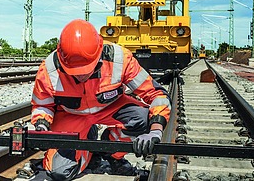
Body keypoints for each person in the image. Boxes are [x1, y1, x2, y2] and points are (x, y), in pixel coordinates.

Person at [31, 19, 171, 180]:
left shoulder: (120, 59)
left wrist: (155, 130)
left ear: (99, 53)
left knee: (144, 119)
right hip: (71, 115)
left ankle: (111, 153)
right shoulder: (49, 69)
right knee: (59, 172)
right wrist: (41, 124)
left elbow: (157, 94)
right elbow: (42, 105)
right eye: (74, 71)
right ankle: (89, 147)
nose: (81, 75)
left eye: (87, 69)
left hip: (111, 108)